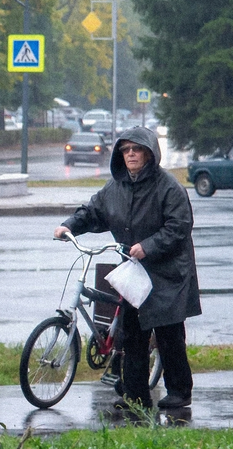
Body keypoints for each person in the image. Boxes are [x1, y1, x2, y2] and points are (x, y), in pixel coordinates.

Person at [53, 126, 201, 409]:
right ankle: (135, 396)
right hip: (135, 271)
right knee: (131, 333)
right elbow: (93, 211)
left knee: (169, 333)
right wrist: (69, 225)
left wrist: (148, 246)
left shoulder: (169, 187)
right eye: (125, 150)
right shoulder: (115, 187)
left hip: (168, 273)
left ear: (149, 153)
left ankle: (180, 392)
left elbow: (179, 226)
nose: (131, 154)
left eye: (137, 149)